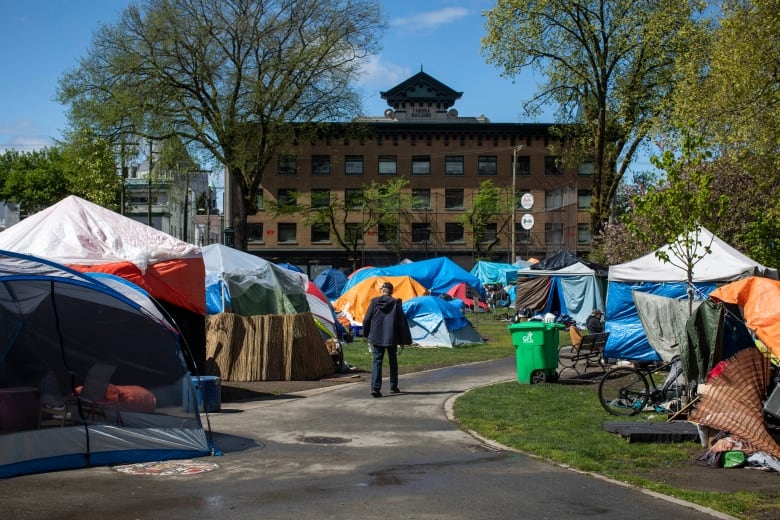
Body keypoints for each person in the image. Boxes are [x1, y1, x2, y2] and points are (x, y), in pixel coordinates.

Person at [362, 281, 412, 398]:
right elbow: (402, 323)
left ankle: (375, 388)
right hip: (392, 337)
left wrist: (366, 334)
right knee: (393, 362)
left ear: (382, 291)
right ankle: (393, 386)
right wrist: (403, 340)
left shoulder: (374, 302)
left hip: (377, 336)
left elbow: (366, 320)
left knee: (377, 362)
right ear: (392, 291)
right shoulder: (396, 303)